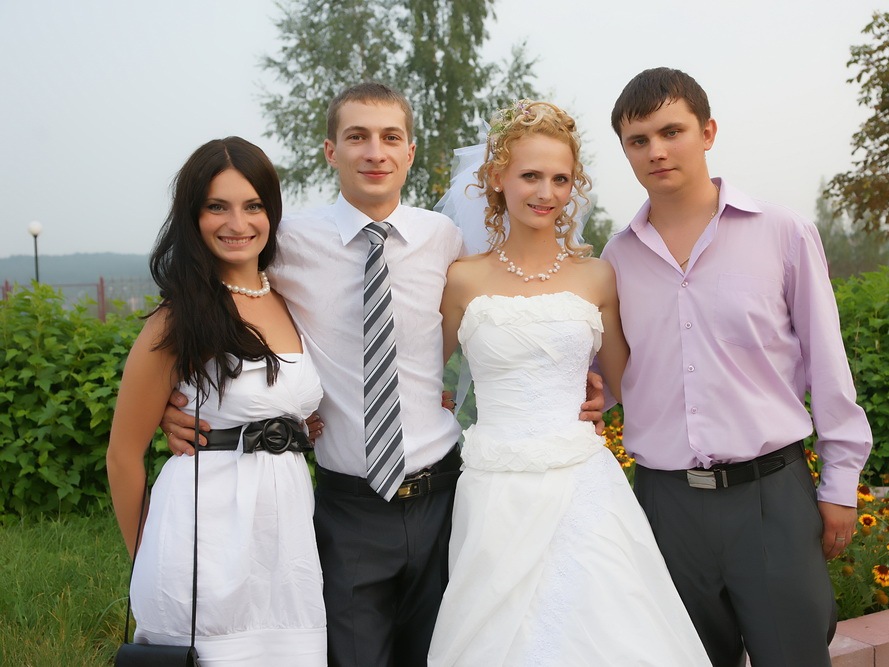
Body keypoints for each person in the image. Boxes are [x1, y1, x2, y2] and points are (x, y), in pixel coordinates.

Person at [159, 83, 605, 667]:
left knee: (449, 652)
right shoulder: (287, 243)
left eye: (390, 137)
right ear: (330, 150)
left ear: (410, 151)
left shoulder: (444, 239)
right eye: (357, 137)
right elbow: (218, 300)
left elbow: (507, 302)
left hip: (446, 495)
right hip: (350, 506)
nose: (375, 152)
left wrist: (568, 374)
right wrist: (174, 399)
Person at [601, 67, 874, 667]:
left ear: (707, 132)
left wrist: (840, 483)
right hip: (664, 502)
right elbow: (613, 377)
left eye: (671, 131)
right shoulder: (615, 258)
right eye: (638, 140)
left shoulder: (782, 232)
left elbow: (829, 365)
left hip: (770, 496)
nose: (656, 151)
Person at [428, 100, 711, 666]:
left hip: (584, 483)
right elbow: (424, 375)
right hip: (496, 488)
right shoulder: (461, 279)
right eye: (530, 176)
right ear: (497, 178)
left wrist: (603, 393)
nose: (546, 193)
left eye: (560, 179)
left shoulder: (598, 275)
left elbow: (626, 381)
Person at [106, 136, 326, 665]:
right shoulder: (179, 318)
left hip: (287, 544)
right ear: (193, 216)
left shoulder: (291, 300)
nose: (237, 223)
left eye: (253, 206)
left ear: (271, 213)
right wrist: (146, 557)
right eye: (217, 207)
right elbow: (122, 455)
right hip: (203, 539)